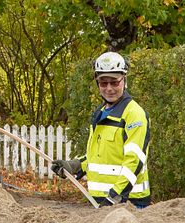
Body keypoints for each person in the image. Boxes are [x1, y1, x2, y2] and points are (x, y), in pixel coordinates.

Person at [52, 52, 151, 208]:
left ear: (124, 80)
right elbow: (99, 157)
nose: (109, 88)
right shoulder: (100, 112)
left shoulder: (134, 114)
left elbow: (134, 161)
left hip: (128, 203)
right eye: (103, 83)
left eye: (114, 82)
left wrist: (116, 196)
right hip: (102, 202)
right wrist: (74, 166)